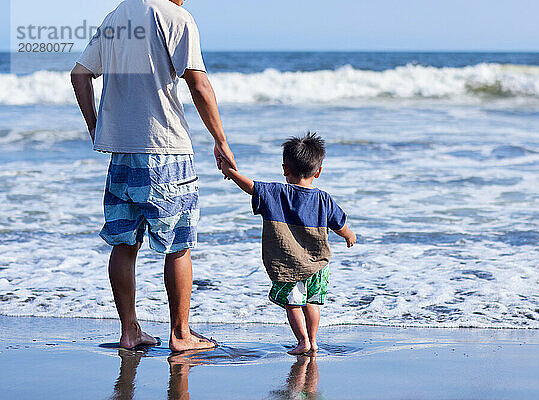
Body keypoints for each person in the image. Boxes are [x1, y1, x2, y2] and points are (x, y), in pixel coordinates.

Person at [70, 0, 237, 351]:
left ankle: (129, 331)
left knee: (124, 244)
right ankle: (181, 334)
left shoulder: (116, 16)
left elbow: (79, 74)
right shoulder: (176, 18)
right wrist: (221, 140)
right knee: (177, 246)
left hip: (122, 154)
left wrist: (96, 127)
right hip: (166, 150)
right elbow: (198, 83)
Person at [220, 132, 356, 355]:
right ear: (318, 171)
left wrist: (231, 172)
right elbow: (339, 224)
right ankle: (313, 341)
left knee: (293, 304)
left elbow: (250, 186)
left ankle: (302, 341)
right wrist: (349, 236)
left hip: (289, 266)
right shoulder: (324, 199)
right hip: (319, 265)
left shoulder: (276, 192)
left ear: (285, 169)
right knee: (313, 302)